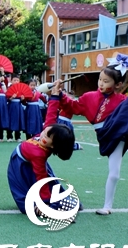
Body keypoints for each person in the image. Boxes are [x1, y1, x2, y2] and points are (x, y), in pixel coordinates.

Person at [58, 55, 128, 215]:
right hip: (105, 134)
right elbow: (71, 106)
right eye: (100, 80)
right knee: (114, 172)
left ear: (117, 84)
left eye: (106, 81)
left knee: (115, 173)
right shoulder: (88, 97)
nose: (101, 84)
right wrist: (59, 94)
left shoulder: (120, 99)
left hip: (117, 129)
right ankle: (107, 205)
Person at [7, 82, 76, 214]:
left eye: (47, 136)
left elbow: (41, 179)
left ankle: (47, 206)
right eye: (45, 131)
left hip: (21, 164)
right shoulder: (49, 131)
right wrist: (55, 95)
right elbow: (51, 112)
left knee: (27, 192)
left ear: (53, 145)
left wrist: (44, 202)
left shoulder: (39, 154)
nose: (43, 132)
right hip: (21, 159)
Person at [6, 76, 25, 142]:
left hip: (19, 106)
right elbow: (7, 99)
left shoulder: (21, 89)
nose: (16, 82)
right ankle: (9, 136)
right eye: (14, 80)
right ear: (11, 81)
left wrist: (22, 99)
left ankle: (18, 137)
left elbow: (23, 101)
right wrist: (11, 98)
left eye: (17, 80)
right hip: (11, 106)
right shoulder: (9, 88)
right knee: (10, 120)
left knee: (18, 121)